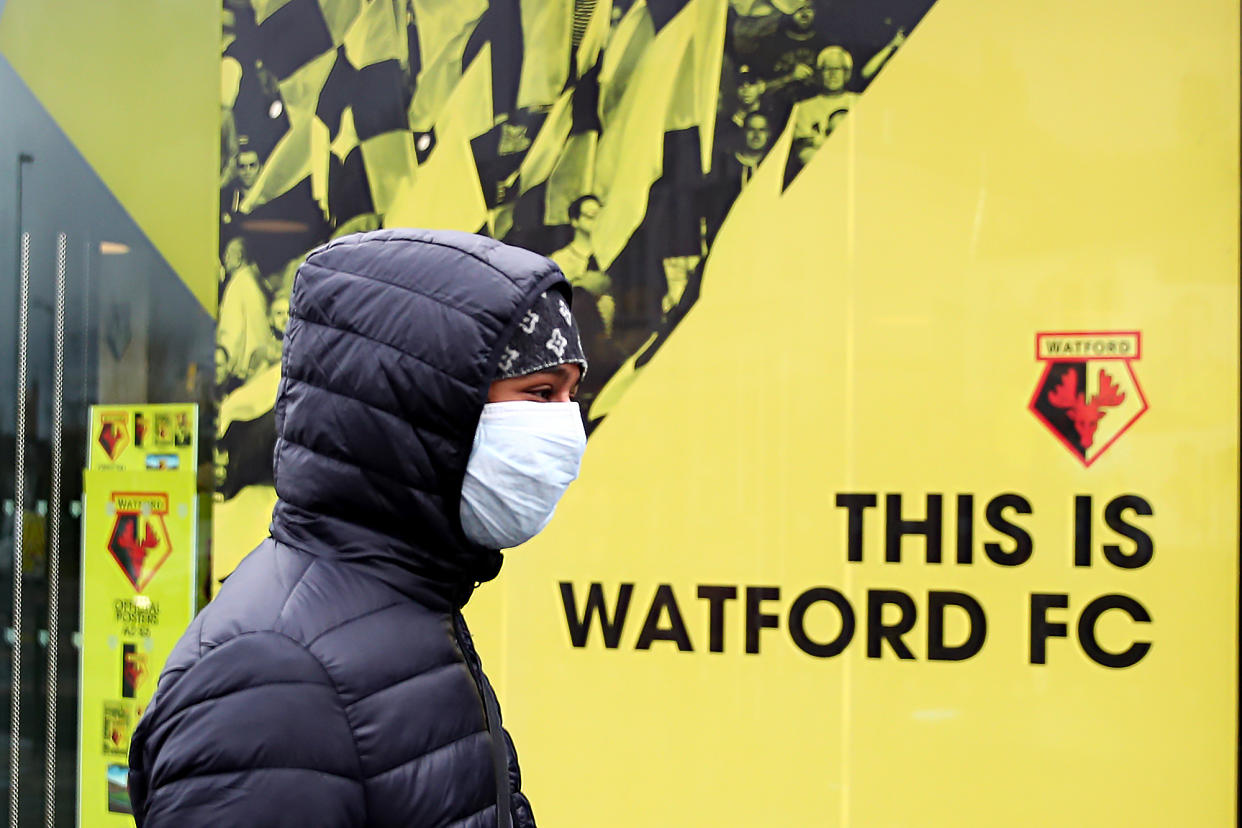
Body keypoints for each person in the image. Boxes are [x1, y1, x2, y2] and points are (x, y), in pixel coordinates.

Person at [128, 228, 589, 827]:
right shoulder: (272, 678)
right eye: (539, 393)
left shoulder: (411, 609)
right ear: (426, 409)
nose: (567, 430)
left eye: (572, 395)